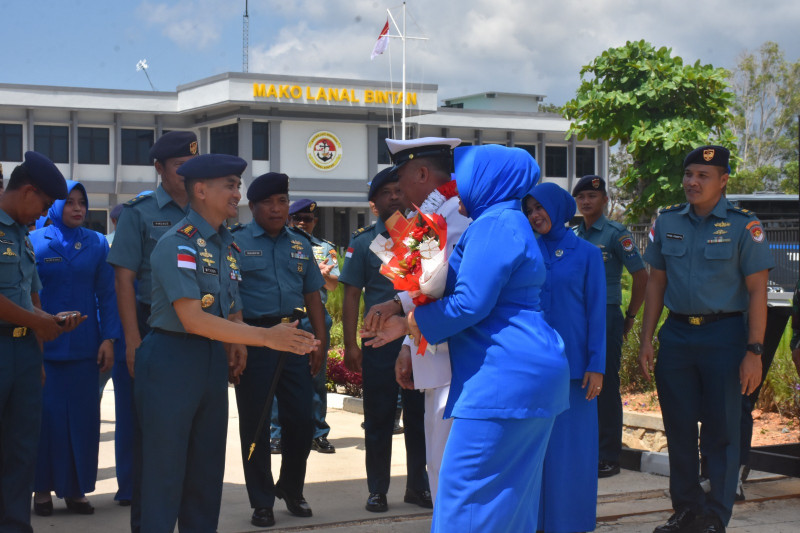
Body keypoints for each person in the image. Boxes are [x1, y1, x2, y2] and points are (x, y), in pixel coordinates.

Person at [364, 145, 570, 532]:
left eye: (466, 175)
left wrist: (410, 324)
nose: (457, 184)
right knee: (510, 498)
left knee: (463, 494)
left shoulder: (494, 223)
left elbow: (469, 304)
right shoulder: (506, 220)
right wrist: (410, 323)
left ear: (489, 180)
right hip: (523, 372)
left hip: (503, 376)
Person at [135, 155, 318, 532]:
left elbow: (229, 306)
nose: (238, 194)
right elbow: (193, 317)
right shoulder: (179, 244)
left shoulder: (226, 246)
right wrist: (266, 337)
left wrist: (238, 339)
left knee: (206, 472)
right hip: (172, 357)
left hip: (209, 360)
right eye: (231, 185)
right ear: (200, 190)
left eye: (238, 185)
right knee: (164, 471)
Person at [639, 145, 773, 533]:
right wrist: (648, 338)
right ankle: (686, 509)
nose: (693, 182)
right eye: (689, 175)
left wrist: (754, 351)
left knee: (722, 432)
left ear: (724, 180)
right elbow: (656, 284)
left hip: (725, 336)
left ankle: (716, 515)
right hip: (678, 335)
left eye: (703, 176)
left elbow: (757, 293)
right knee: (678, 428)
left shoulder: (743, 225)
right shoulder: (667, 222)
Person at [361, 136, 468, 503]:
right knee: (437, 457)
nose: (401, 191)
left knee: (448, 459)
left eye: (402, 179)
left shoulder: (457, 211)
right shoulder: (432, 214)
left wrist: (395, 305)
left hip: (457, 354)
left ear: (422, 173)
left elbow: (440, 281)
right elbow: (424, 288)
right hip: (433, 350)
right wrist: (409, 344)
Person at [106, 131, 195, 529]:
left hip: (200, 331)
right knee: (151, 435)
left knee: (193, 437)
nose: (187, 175)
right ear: (158, 169)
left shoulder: (204, 209)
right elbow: (123, 280)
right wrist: (133, 341)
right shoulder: (138, 213)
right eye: (179, 167)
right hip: (152, 328)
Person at [231, 174, 327, 528]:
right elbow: (230, 298)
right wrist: (236, 341)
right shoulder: (236, 243)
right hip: (255, 337)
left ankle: (291, 487)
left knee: (301, 420)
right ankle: (261, 500)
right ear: (253, 206)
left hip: (295, 338)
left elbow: (312, 294)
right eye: (269, 202)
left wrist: (320, 340)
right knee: (255, 424)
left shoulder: (300, 244)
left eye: (282, 201)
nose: (277, 208)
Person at [0, 151, 85, 532]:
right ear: (29, 191)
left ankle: (16, 524)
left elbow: (31, 297)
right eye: (45, 205)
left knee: (22, 448)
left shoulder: (23, 236)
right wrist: (37, 321)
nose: (43, 214)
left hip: (23, 353)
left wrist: (50, 324)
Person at [340, 168, 430, 513]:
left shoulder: (424, 238)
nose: (394, 196)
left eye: (398, 190)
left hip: (416, 338)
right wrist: (350, 344)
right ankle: (377, 489)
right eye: (386, 192)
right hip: (378, 344)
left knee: (418, 415)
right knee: (378, 417)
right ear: (373, 202)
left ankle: (417, 486)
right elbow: (350, 297)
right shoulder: (363, 243)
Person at [29, 180, 120, 516]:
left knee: (83, 420)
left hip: (85, 348)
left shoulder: (96, 243)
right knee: (46, 421)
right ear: (55, 207)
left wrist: (109, 338)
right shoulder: (35, 241)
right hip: (43, 348)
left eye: (82, 202)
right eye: (70, 202)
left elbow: (107, 295)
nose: (78, 208)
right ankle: (41, 490)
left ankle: (76, 490)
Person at [525, 183, 606, 533]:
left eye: (540, 208)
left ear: (558, 208)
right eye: (529, 210)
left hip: (576, 374)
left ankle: (570, 524)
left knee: (573, 455)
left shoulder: (587, 253)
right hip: (533, 370)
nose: (534, 216)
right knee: (536, 455)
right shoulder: (525, 250)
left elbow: (596, 311)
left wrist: (596, 365)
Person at [573, 174, 648, 478]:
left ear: (604, 200)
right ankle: (585, 449)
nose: (587, 202)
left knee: (605, 385)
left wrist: (630, 316)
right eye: (581, 198)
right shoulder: (574, 235)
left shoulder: (617, 234)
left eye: (593, 197)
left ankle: (608, 456)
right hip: (577, 317)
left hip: (606, 315)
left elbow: (641, 277)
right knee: (579, 382)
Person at [270, 197, 339, 455]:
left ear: (315, 222)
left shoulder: (325, 248)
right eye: (296, 218)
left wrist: (319, 275)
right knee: (280, 375)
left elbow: (333, 284)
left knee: (316, 377)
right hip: (287, 317)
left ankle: (318, 433)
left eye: (306, 219)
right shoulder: (281, 245)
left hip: (316, 317)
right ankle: (277, 434)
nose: (301, 223)